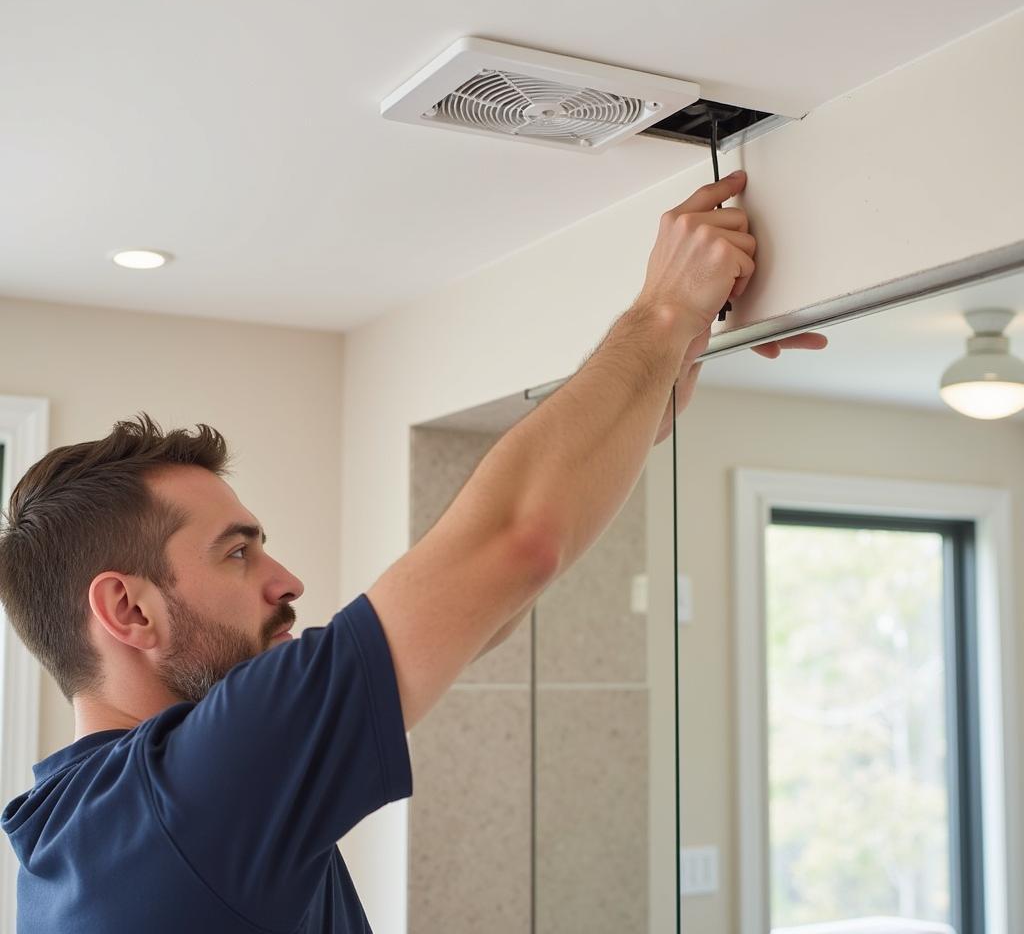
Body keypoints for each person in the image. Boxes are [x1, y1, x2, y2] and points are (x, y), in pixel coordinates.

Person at [0, 171, 825, 932]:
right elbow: (511, 545)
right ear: (128, 609)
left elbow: (481, 604)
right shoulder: (189, 793)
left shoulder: (70, 829)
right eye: (237, 554)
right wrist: (664, 311)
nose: (287, 580)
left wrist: (670, 358)